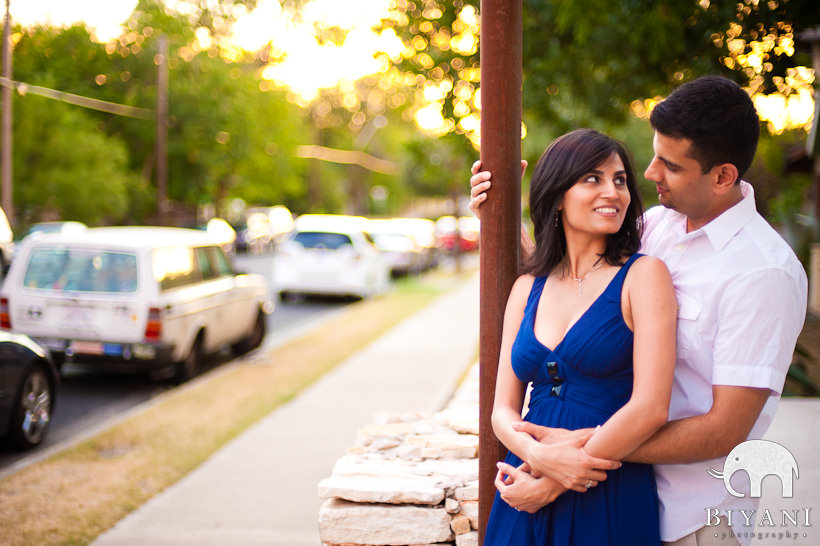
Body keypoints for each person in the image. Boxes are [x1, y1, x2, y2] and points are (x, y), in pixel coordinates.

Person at [470, 76, 808, 546]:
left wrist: (573, 455)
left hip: (697, 518)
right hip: (607, 480)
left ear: (723, 176)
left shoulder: (763, 273)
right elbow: (571, 275)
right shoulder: (656, 228)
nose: (649, 174)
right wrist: (498, 213)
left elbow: (723, 430)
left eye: (668, 165)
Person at [481, 128, 678, 545]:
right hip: (524, 485)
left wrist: (561, 476)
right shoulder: (527, 288)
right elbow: (502, 411)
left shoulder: (642, 277)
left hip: (606, 491)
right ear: (557, 195)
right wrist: (538, 457)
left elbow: (650, 408)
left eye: (620, 179)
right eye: (593, 178)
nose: (614, 191)